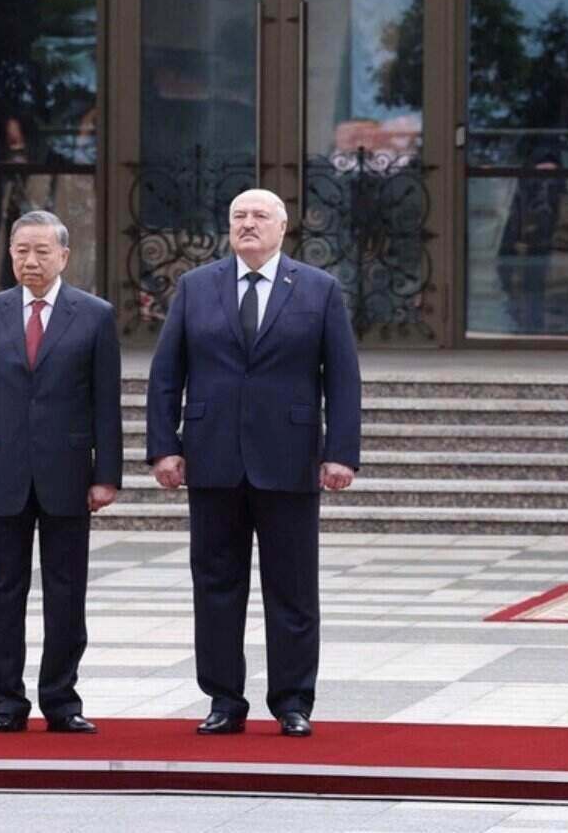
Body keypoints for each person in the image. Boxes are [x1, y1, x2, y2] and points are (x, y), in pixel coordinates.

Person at [146, 189, 361, 738]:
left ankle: (292, 702)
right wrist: (164, 445)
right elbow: (167, 375)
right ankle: (223, 698)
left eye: (259, 216)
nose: (248, 224)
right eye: (238, 215)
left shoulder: (319, 289)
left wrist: (340, 452)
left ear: (282, 227)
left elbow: (341, 380)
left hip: (289, 461)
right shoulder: (197, 287)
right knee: (216, 584)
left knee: (292, 588)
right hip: (212, 458)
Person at [0, 210, 122, 734]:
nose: (31, 260)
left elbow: (105, 404)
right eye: (21, 250)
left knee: (66, 591)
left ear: (64, 256)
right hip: (1, 472)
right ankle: (5, 701)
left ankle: (61, 699)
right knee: (1, 591)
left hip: (68, 473)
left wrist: (106, 475)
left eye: (42, 251)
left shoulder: (94, 315)